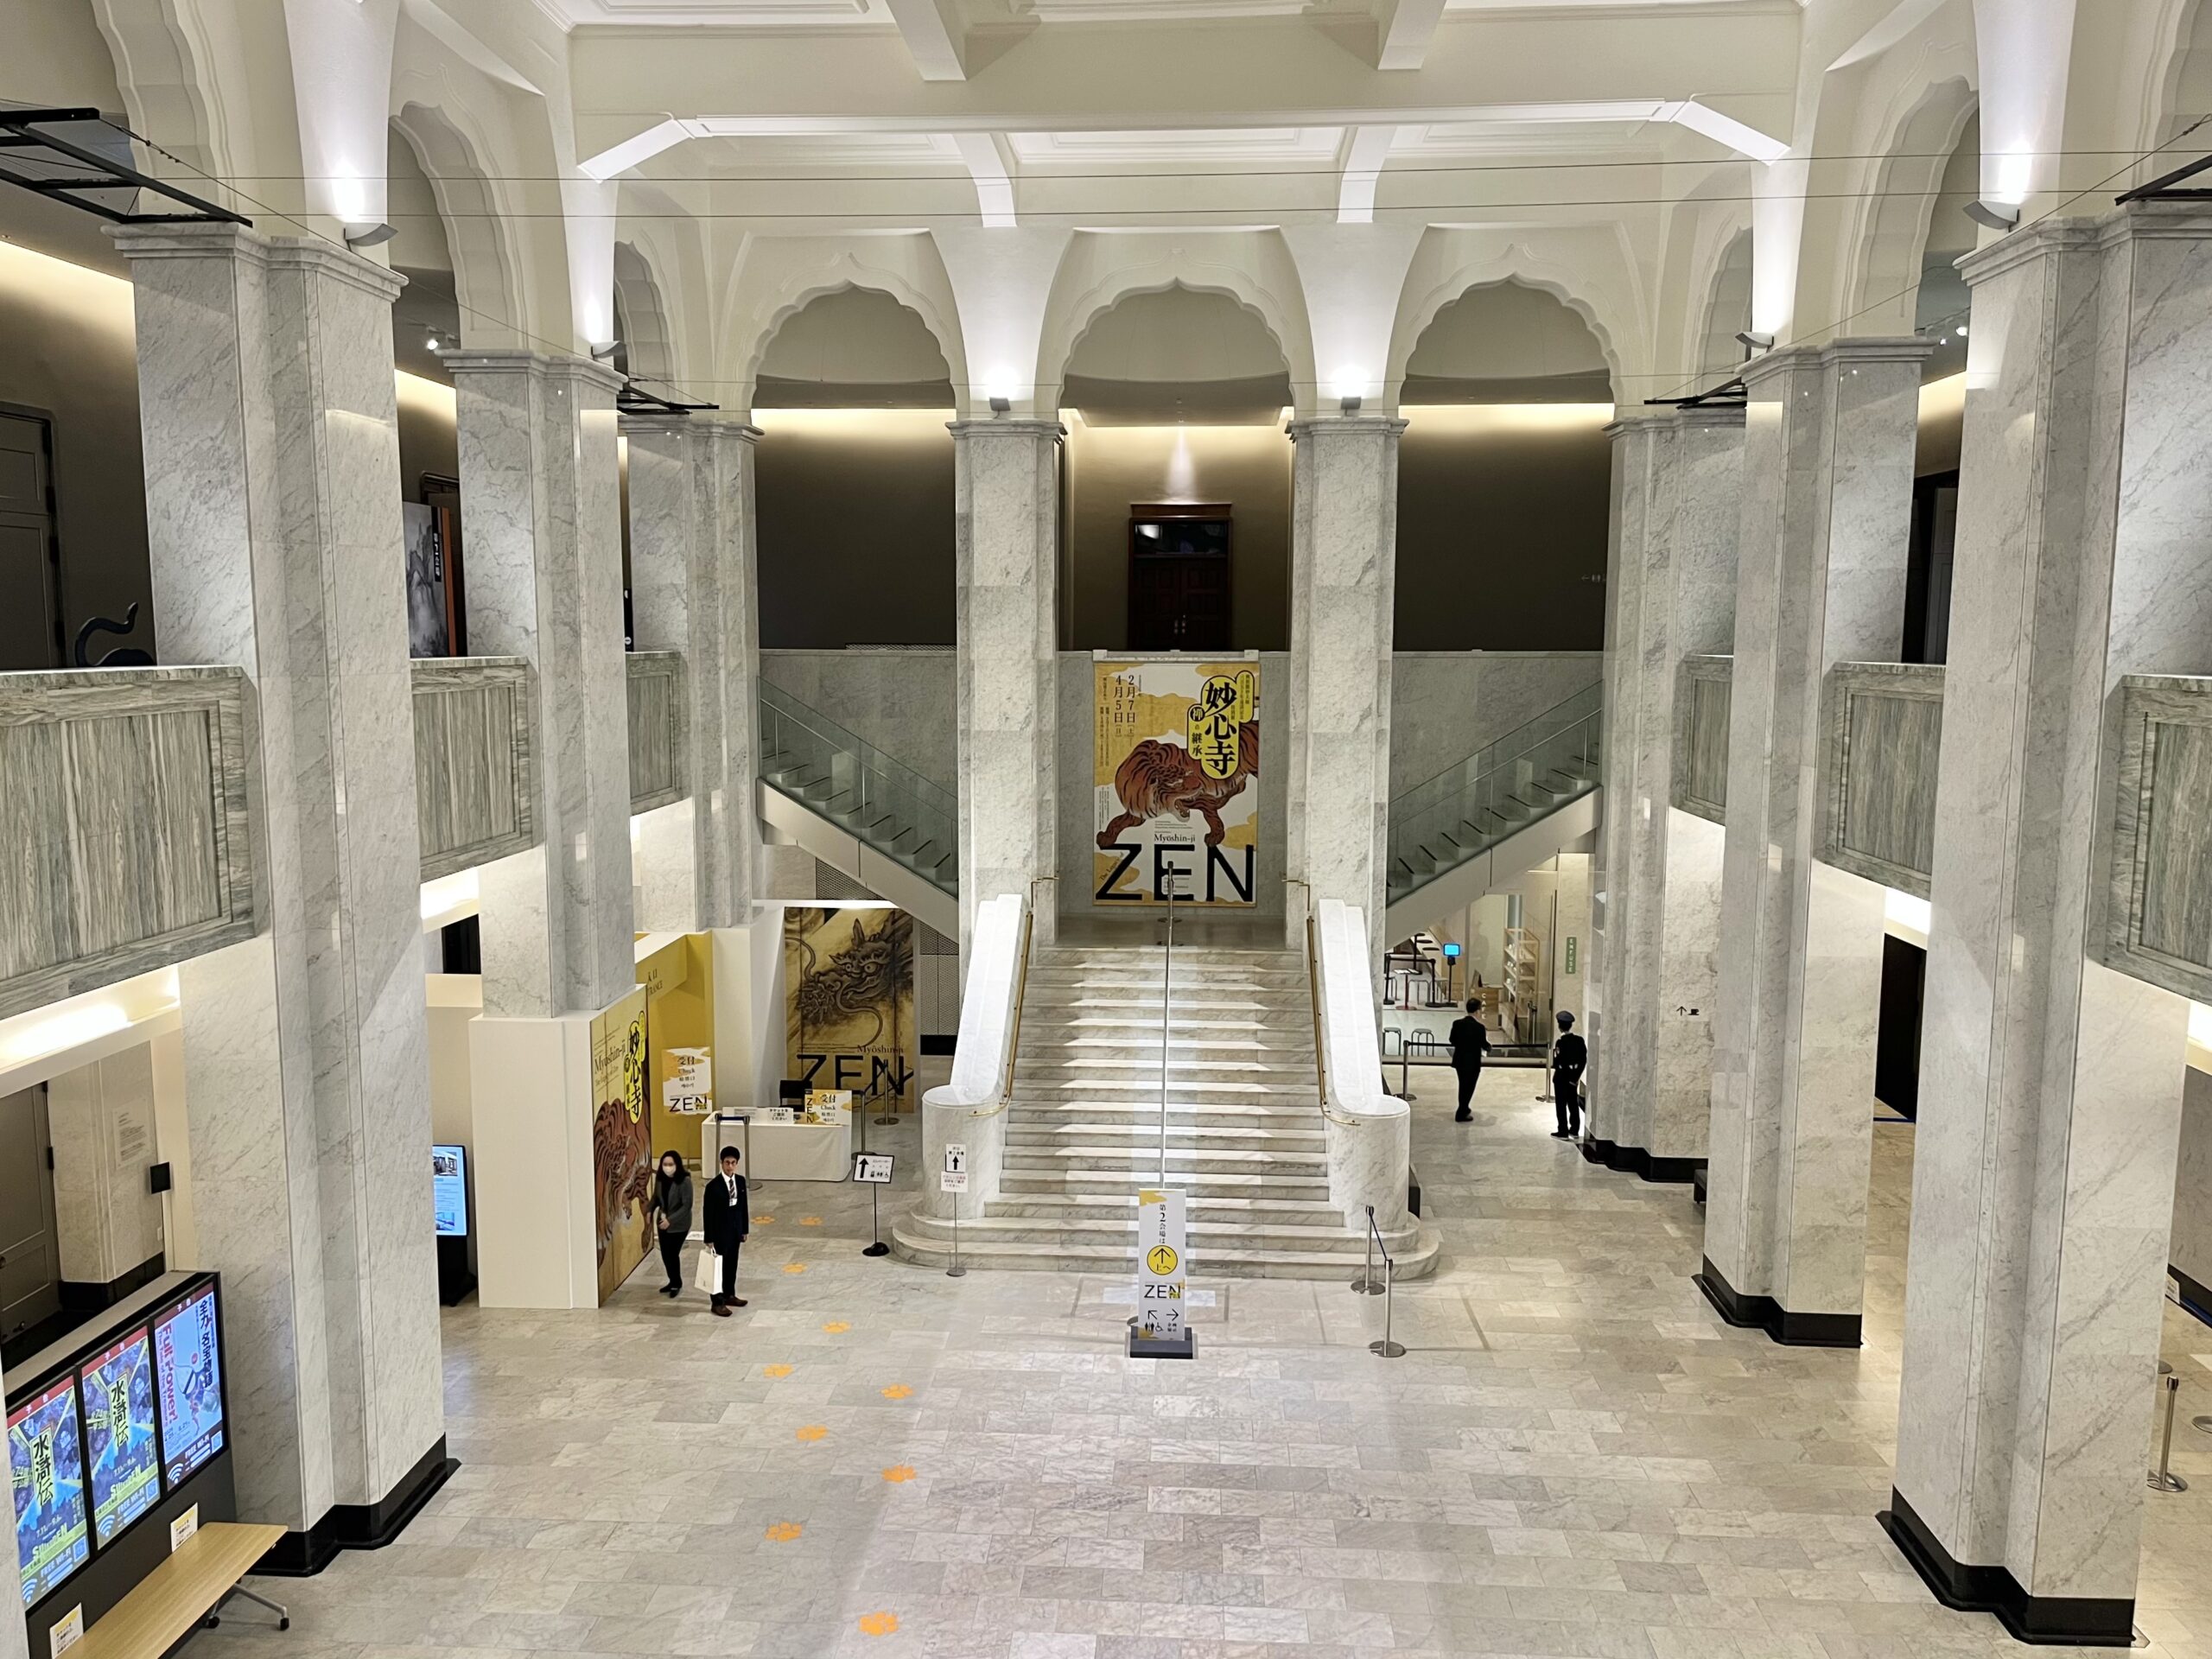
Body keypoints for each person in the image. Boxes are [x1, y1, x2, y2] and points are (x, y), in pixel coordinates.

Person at [702, 1144, 751, 1317]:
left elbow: (743, 1208)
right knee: (718, 1269)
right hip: (719, 1233)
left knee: (731, 1265)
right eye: (727, 1163)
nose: (730, 1166)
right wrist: (709, 1237)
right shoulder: (713, 1187)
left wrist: (744, 1229)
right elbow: (708, 1213)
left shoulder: (740, 1181)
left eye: (733, 1163)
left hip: (735, 1232)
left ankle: (729, 1294)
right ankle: (717, 1302)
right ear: (721, 1163)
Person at [651, 1150, 693, 1298]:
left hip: (679, 1225)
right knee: (665, 1254)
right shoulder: (660, 1179)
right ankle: (672, 1280)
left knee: (672, 1254)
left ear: (677, 1165)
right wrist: (649, 1211)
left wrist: (671, 1220)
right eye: (665, 1164)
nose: (667, 1167)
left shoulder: (685, 1181)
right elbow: (656, 1198)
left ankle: (677, 1283)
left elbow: (687, 1205)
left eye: (670, 1164)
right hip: (662, 1222)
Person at [1446, 998, 1491, 1123]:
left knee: (1463, 1085)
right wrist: (1489, 1047)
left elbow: (1452, 1040)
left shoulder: (1457, 1024)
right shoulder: (1480, 1028)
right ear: (1477, 1011)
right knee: (1469, 1087)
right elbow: (1484, 1044)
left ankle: (1464, 1108)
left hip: (1460, 1060)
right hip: (1473, 1062)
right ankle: (1462, 1111)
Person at [1551, 1010, 1587, 1139]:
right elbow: (1583, 1060)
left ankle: (1563, 1131)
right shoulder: (1579, 1041)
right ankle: (1574, 1130)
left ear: (1559, 1026)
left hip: (1561, 1078)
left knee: (1561, 1105)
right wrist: (1575, 1077)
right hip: (1573, 1079)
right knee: (1573, 1103)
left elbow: (1558, 1062)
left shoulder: (1560, 1043)